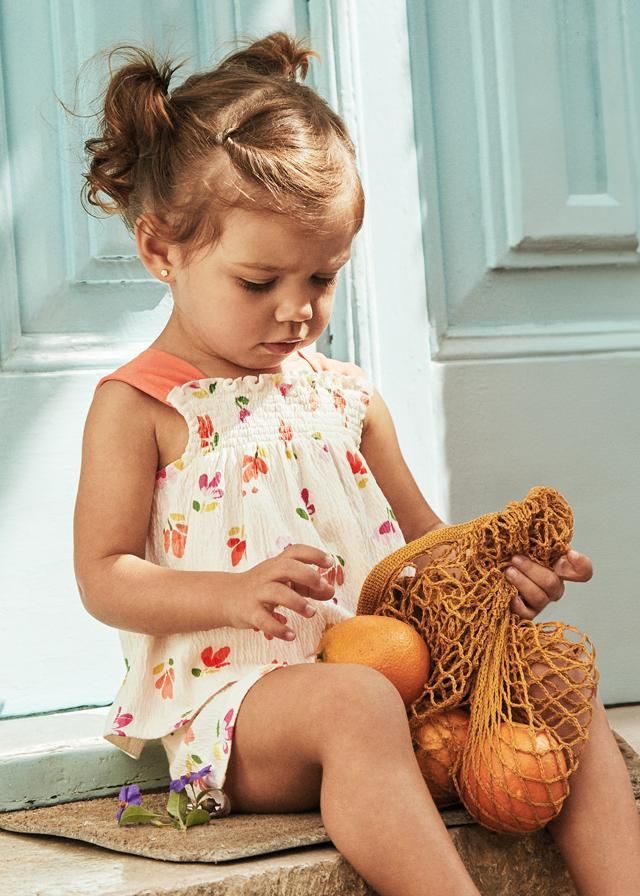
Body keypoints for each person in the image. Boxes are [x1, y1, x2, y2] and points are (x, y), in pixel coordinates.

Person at [72, 32, 640, 896]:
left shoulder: (346, 397)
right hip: (245, 716)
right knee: (357, 701)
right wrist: (231, 592)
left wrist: (506, 579)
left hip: (403, 685)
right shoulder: (143, 404)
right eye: (260, 283)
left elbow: (429, 549)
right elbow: (104, 574)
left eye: (324, 279)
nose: (297, 311)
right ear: (162, 251)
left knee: (553, 669)